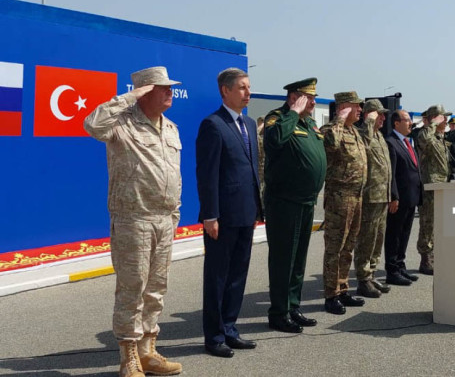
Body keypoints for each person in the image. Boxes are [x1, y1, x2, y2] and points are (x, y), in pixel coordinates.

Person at [84, 66, 183, 377]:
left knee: (156, 289)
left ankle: (148, 351)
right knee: (132, 289)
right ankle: (128, 356)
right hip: (133, 219)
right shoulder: (121, 124)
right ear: (144, 91)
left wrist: (174, 215)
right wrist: (127, 98)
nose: (170, 92)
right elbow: (92, 124)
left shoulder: (171, 128)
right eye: (163, 87)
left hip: (164, 220)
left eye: (170, 87)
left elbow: (173, 175)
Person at [196, 68, 261, 358]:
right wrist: (210, 214)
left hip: (246, 213)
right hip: (222, 217)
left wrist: (258, 208)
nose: (248, 93)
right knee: (217, 277)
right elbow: (207, 174)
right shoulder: (212, 124)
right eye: (243, 88)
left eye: (249, 88)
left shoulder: (248, 123)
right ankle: (214, 336)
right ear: (226, 90)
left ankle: (231, 329)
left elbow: (252, 170)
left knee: (238, 275)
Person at [263, 78, 327, 333]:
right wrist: (292, 113)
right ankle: (278, 312)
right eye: (307, 97)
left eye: (313, 97)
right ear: (293, 97)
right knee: (283, 259)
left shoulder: (309, 123)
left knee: (298, 260)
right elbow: (275, 141)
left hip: (306, 201)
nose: (313, 101)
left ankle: (292, 306)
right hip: (284, 202)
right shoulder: (277, 118)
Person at [321, 91, 368, 315]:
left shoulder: (354, 131)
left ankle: (342, 288)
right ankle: (331, 295)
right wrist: (340, 118)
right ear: (343, 107)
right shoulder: (331, 129)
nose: (360, 109)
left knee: (348, 247)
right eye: (355, 106)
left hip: (357, 196)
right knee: (335, 248)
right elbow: (330, 145)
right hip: (339, 197)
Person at [354, 99, 393, 298]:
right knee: (366, 240)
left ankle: (372, 274)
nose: (383, 118)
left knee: (378, 239)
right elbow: (364, 146)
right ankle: (362, 279)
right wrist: (368, 122)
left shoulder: (379, 136)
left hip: (382, 196)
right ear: (370, 114)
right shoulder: (363, 133)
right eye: (379, 114)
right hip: (370, 196)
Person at [384, 110, 423, 286]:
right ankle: (392, 270)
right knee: (394, 234)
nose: (410, 123)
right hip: (399, 198)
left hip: (411, 196)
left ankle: (400, 266)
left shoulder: (408, 142)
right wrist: (393, 196)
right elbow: (390, 173)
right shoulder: (391, 142)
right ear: (396, 123)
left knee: (405, 234)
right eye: (407, 120)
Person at [415, 105, 451, 275]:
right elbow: (424, 140)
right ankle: (426, 259)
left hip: (442, 185)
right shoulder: (425, 134)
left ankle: (436, 255)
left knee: (438, 223)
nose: (446, 120)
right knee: (428, 223)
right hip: (430, 186)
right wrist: (432, 124)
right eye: (443, 117)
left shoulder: (440, 137)